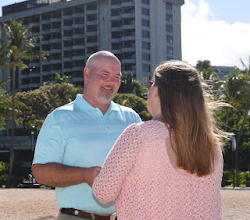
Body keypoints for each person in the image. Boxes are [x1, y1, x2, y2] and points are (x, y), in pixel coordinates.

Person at [92, 60, 226, 219]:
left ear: (157, 91)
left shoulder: (139, 135)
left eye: (151, 83)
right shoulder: (213, 147)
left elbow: (103, 193)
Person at [32, 51, 141, 219]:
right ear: (87, 74)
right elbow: (40, 172)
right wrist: (84, 175)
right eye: (104, 75)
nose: (110, 83)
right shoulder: (59, 118)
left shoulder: (132, 118)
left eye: (117, 77)